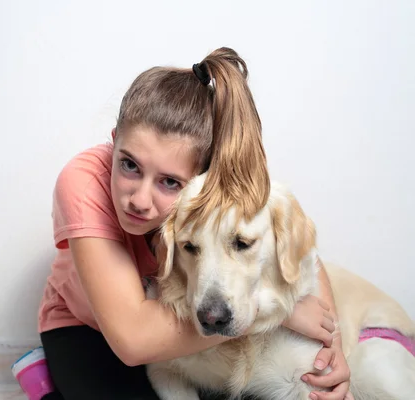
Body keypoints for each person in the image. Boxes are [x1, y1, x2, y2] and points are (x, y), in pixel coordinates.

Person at [25, 47, 350, 400]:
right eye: (130, 165)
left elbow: (300, 251)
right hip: (91, 328)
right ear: (114, 141)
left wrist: (334, 351)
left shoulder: (219, 187)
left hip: (177, 318)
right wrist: (281, 312)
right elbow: (132, 340)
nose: (140, 200)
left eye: (170, 182)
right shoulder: (84, 180)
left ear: (204, 178)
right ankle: (46, 383)